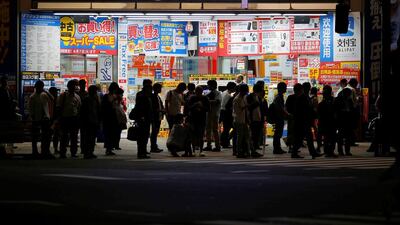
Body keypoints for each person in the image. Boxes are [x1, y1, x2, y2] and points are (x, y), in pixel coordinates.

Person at [291, 83, 322, 159]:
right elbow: (306, 109)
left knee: (306, 137)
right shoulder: (303, 97)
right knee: (302, 138)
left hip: (303, 121)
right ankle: (295, 152)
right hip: (303, 121)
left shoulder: (304, 97)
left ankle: (312, 152)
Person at [28, 80, 55, 159]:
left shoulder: (44, 95)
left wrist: (46, 91)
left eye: (41, 87)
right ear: (36, 87)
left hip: (45, 118)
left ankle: (45, 151)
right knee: (35, 137)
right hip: (37, 119)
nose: (40, 88)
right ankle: (35, 151)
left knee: (46, 136)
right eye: (39, 87)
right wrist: (33, 118)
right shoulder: (32, 97)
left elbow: (52, 98)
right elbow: (31, 109)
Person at [57, 79, 81, 158]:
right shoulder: (63, 95)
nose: (74, 87)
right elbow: (59, 107)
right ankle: (62, 152)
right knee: (64, 136)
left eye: (75, 86)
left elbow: (79, 108)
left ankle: (73, 153)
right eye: (73, 85)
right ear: (68, 86)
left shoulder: (77, 97)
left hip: (74, 119)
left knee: (74, 137)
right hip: (65, 118)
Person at [133, 79, 153, 159]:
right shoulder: (143, 96)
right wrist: (142, 117)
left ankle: (143, 152)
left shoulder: (145, 95)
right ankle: (141, 153)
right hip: (143, 119)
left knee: (144, 136)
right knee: (142, 137)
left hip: (145, 118)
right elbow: (141, 108)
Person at [187, 86, 210, 156]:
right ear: (195, 91)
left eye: (200, 91)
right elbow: (189, 108)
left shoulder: (205, 98)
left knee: (201, 135)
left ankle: (201, 150)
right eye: (197, 91)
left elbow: (208, 109)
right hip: (193, 118)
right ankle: (194, 150)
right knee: (193, 135)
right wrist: (196, 104)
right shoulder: (192, 98)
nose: (198, 93)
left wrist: (201, 106)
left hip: (201, 118)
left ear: (202, 91)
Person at [80, 85, 101, 159]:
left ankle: (90, 152)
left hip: (93, 121)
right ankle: (87, 152)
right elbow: (84, 111)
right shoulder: (87, 99)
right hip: (88, 121)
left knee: (92, 138)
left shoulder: (95, 99)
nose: (96, 92)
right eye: (95, 91)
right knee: (88, 138)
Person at [318, 85, 337, 157]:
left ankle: (329, 151)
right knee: (328, 137)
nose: (324, 93)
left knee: (330, 137)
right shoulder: (326, 102)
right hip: (327, 122)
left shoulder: (332, 101)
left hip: (330, 122)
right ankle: (328, 151)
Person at [101, 82, 119, 156]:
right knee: (108, 134)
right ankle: (108, 149)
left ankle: (110, 148)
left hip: (113, 117)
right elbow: (104, 106)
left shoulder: (115, 96)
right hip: (107, 117)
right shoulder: (106, 96)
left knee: (112, 134)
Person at [334, 88, 354, 156]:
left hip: (348, 120)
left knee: (347, 136)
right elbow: (336, 110)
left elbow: (352, 109)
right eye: (348, 94)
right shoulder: (338, 99)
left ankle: (347, 151)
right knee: (341, 136)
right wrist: (343, 110)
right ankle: (340, 151)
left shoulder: (349, 100)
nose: (349, 95)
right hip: (341, 120)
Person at [204, 80, 222, 152]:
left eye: (208, 85)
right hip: (209, 113)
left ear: (212, 85)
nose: (208, 86)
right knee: (208, 130)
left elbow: (217, 101)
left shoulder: (218, 93)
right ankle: (209, 145)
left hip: (215, 114)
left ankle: (217, 146)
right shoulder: (209, 94)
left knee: (215, 130)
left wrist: (207, 100)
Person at [272, 82, 289, 154]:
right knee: (278, 134)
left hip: (279, 117)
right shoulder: (279, 97)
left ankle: (278, 148)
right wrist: (287, 114)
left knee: (278, 133)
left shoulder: (278, 96)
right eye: (285, 87)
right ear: (281, 88)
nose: (286, 89)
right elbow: (280, 108)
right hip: (279, 118)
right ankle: (276, 149)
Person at [247, 83, 263, 152]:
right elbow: (248, 107)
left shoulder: (258, 97)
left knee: (257, 134)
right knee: (253, 134)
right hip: (252, 118)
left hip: (258, 118)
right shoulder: (250, 97)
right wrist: (256, 103)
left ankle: (256, 146)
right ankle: (253, 148)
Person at [220, 82, 236, 148]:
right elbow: (226, 106)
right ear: (232, 88)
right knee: (230, 128)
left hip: (222, 112)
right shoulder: (228, 96)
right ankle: (225, 142)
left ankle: (224, 142)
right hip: (226, 113)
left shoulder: (224, 92)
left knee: (226, 129)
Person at [150, 83, 165, 153]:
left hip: (158, 117)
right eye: (159, 88)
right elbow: (153, 108)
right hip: (155, 117)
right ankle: (153, 147)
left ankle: (154, 146)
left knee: (155, 132)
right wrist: (161, 110)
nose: (160, 89)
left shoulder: (157, 96)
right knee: (154, 132)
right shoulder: (153, 97)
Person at [310, 86, 322, 152]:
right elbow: (316, 108)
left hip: (311, 117)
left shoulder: (310, 98)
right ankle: (318, 146)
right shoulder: (315, 98)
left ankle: (317, 147)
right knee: (316, 131)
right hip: (314, 117)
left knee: (313, 131)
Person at [49, 87, 60, 154]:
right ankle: (55, 149)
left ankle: (55, 149)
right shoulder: (55, 99)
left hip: (54, 119)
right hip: (52, 119)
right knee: (54, 135)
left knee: (54, 135)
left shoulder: (56, 99)